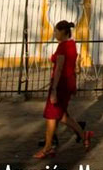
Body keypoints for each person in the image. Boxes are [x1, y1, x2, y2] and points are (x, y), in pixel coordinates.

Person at [34, 20, 93, 158]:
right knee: (62, 116)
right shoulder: (72, 45)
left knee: (51, 115)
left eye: (56, 31)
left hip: (60, 85)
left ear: (63, 32)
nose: (54, 33)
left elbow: (59, 68)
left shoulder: (63, 47)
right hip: (68, 83)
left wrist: (53, 89)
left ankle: (48, 148)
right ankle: (84, 135)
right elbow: (73, 65)